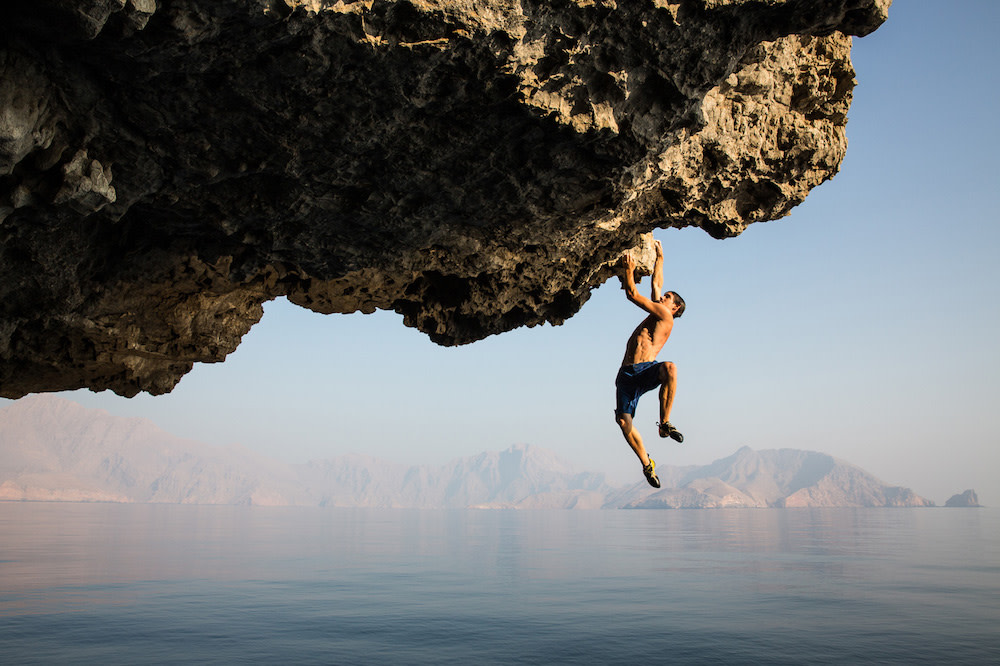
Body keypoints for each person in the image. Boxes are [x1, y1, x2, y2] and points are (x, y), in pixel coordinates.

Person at [614, 240, 686, 488]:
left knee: (670, 368)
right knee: (624, 422)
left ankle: (664, 423)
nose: (662, 296)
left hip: (645, 370)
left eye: (667, 298)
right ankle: (647, 464)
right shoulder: (658, 310)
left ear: (674, 307)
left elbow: (632, 294)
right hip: (626, 375)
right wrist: (660, 257)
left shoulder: (665, 315)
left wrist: (629, 270)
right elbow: (656, 284)